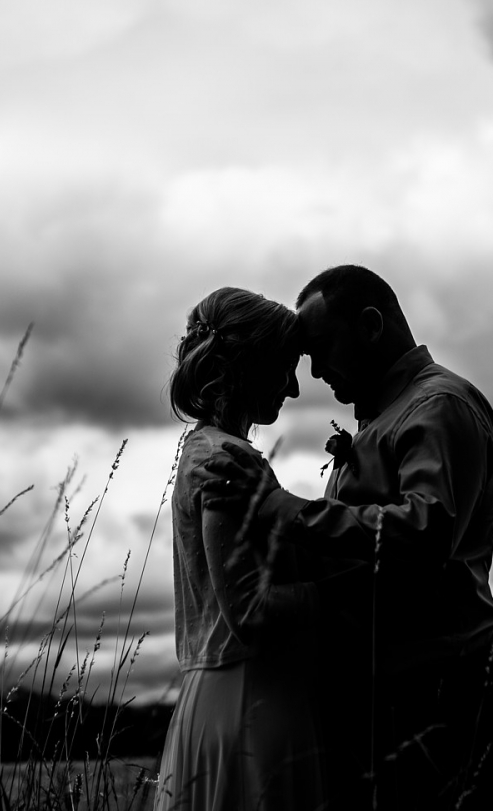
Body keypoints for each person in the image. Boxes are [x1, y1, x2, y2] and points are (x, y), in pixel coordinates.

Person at [196, 265, 493, 811]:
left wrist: (282, 510)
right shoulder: (384, 418)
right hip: (389, 697)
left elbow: (424, 532)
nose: (314, 372)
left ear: (370, 326)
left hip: (439, 690)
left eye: (320, 348)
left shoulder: (438, 407)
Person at [155, 286, 328, 811]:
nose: (294, 388)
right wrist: (354, 589)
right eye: (285, 366)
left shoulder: (205, 448)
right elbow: (249, 611)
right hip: (253, 707)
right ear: (247, 365)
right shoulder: (225, 459)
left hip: (217, 701)